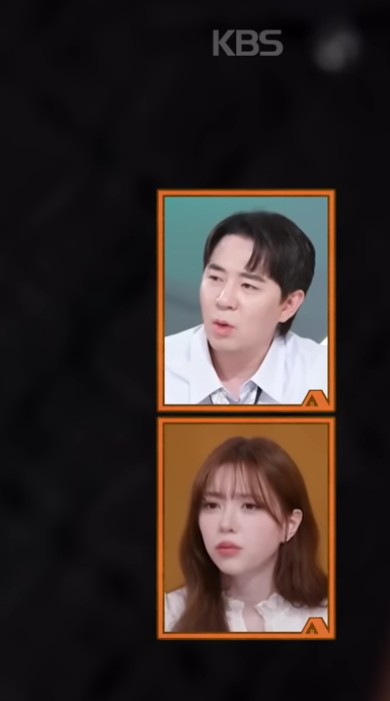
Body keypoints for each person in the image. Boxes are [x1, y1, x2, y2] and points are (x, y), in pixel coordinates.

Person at [163, 436, 329, 634]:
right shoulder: (169, 616)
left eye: (249, 506)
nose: (225, 524)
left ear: (289, 525)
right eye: (212, 505)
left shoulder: (326, 615)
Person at [163, 211, 328, 405]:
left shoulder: (323, 375)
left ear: (288, 305)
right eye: (215, 278)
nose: (223, 300)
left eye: (248, 286)